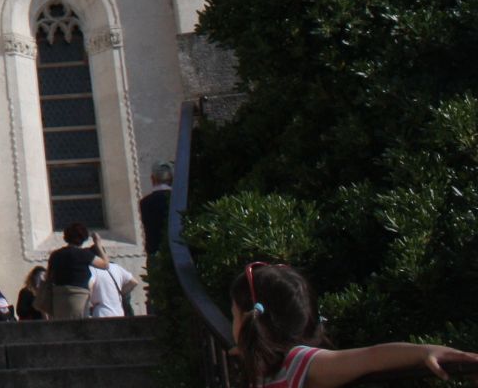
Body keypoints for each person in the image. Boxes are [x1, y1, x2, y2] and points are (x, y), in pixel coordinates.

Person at [227, 262, 477, 387]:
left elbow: (370, 357)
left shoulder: (297, 361)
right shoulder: (270, 368)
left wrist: (423, 352)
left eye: (234, 315)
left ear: (251, 319)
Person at [45, 222, 106, 319]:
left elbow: (48, 276)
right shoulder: (84, 254)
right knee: (79, 326)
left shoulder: (55, 255)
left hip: (59, 298)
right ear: (83, 238)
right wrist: (98, 244)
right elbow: (105, 265)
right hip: (78, 297)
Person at [139, 161, 173, 258]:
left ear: (152, 179)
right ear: (171, 178)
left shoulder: (145, 202)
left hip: (155, 253)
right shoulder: (178, 199)